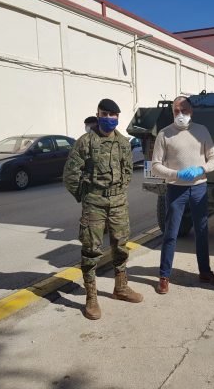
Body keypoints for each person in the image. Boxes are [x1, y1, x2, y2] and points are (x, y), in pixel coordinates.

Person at [63, 98, 143, 320]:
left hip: (118, 203)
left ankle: (121, 288)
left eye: (112, 115)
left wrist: (118, 192)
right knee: (91, 250)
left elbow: (128, 170)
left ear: (118, 117)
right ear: (98, 115)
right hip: (94, 204)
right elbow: (70, 174)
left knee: (121, 246)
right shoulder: (85, 142)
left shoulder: (124, 143)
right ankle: (91, 297)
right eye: (104, 114)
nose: (108, 118)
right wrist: (84, 196)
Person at [151, 96, 214, 294]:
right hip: (176, 189)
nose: (180, 114)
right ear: (172, 112)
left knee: (202, 231)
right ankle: (164, 276)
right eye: (176, 111)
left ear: (191, 111)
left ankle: (205, 272)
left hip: (199, 188)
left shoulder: (202, 131)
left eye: (184, 110)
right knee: (171, 233)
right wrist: (176, 174)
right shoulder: (164, 134)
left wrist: (201, 169)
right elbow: (155, 165)